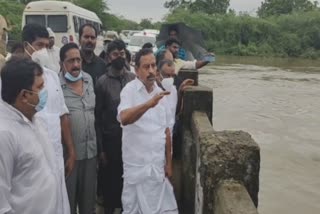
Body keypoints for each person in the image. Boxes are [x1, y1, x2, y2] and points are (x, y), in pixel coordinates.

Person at [22, 23, 75, 214]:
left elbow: (62, 115)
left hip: (55, 156)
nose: (43, 51)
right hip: (29, 161)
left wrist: (71, 151)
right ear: (27, 46)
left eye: (47, 46)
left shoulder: (52, 77)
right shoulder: (10, 79)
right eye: (39, 45)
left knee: (57, 203)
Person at [117, 48, 178, 214]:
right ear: (136, 70)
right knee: (133, 209)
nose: (151, 71)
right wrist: (148, 104)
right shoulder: (129, 91)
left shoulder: (161, 93)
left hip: (156, 168)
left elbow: (166, 132)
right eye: (146, 67)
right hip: (137, 169)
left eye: (153, 66)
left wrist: (169, 164)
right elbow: (124, 118)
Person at [0, 59, 58, 214]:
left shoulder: (33, 119)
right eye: (40, 87)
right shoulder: (4, 135)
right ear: (24, 95)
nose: (45, 90)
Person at [95, 39, 135, 214]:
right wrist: (101, 149)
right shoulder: (102, 82)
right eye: (115, 54)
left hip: (131, 141)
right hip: (111, 141)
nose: (119, 56)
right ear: (109, 57)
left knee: (128, 181)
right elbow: (97, 117)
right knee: (110, 183)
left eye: (122, 53)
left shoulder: (133, 79)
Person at [59, 43, 97, 214]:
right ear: (62, 64)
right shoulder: (56, 86)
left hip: (91, 153)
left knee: (88, 201)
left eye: (78, 60)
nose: (75, 65)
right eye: (71, 61)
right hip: (69, 155)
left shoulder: (88, 79)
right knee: (69, 200)